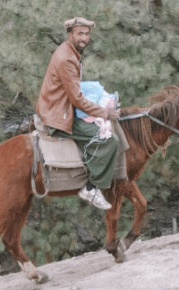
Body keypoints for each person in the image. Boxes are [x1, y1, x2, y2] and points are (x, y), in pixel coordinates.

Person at [34, 16, 121, 210]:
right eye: (80, 33)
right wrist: (105, 114)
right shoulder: (66, 58)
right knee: (109, 140)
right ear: (70, 34)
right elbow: (76, 99)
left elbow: (75, 90)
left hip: (59, 106)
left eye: (87, 34)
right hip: (58, 115)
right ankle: (91, 187)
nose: (84, 38)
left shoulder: (70, 52)